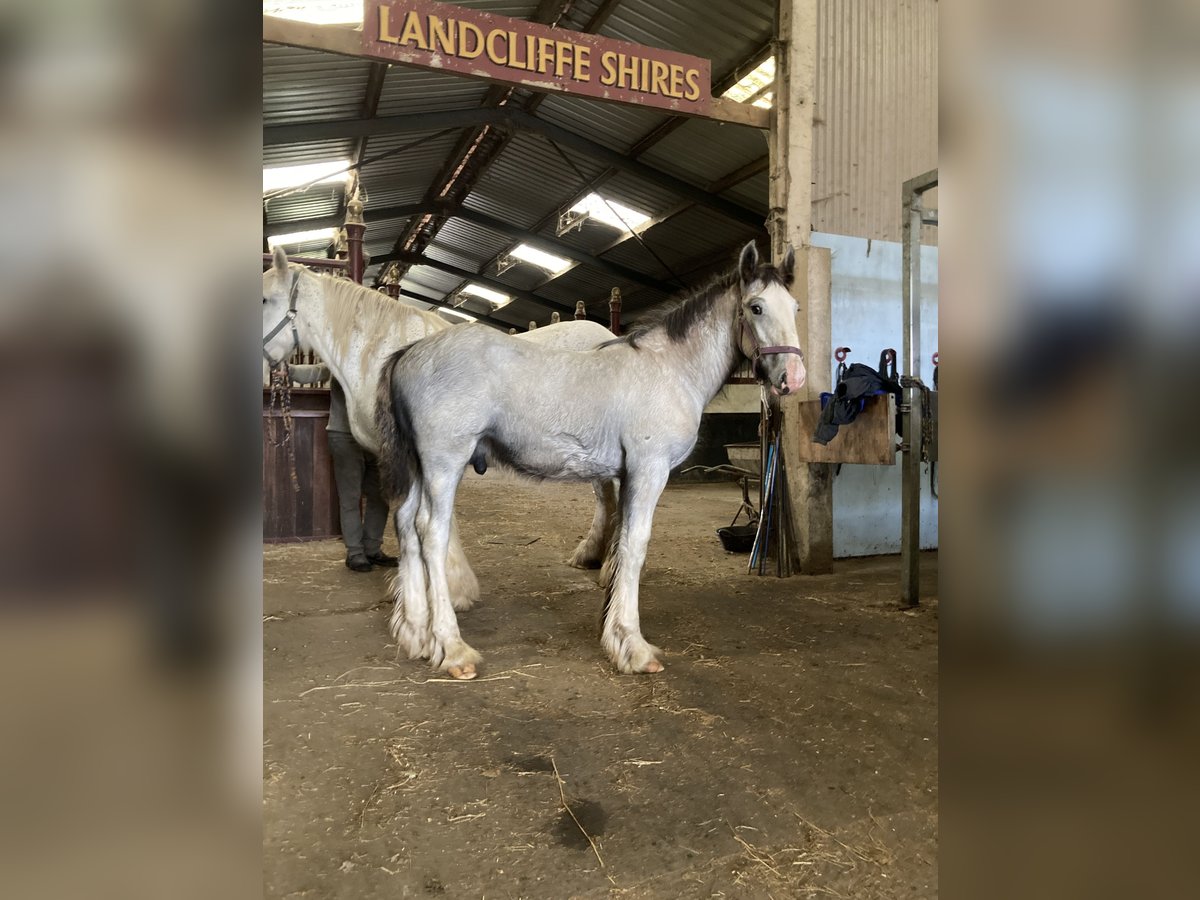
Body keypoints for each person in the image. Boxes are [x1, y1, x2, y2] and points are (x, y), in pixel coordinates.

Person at [287, 364, 398, 572]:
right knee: (350, 496)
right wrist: (290, 371)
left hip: (374, 436)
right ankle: (355, 552)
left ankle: (372, 548)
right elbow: (319, 372)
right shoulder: (343, 352)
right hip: (344, 434)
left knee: (380, 496)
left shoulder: (380, 355)